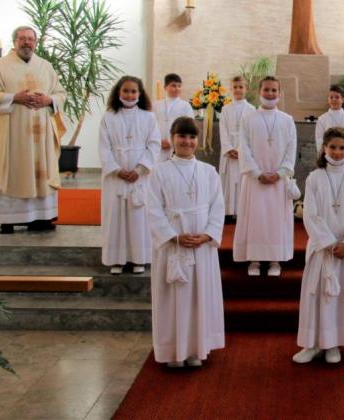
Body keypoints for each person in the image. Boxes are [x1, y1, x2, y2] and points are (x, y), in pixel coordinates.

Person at [147, 116, 225, 368]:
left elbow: (217, 207)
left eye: (192, 137)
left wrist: (209, 234)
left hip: (200, 243)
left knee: (199, 297)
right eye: (182, 136)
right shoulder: (159, 172)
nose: (187, 141)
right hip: (174, 243)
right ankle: (173, 352)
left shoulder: (208, 171)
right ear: (172, 138)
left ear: (198, 141)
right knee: (174, 297)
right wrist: (173, 236)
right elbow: (153, 209)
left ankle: (195, 349)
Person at [0, 26, 66, 234]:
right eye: (22, 39)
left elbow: (61, 93)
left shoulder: (45, 66)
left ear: (36, 42)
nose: (27, 43)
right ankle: (8, 218)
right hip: (11, 134)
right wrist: (14, 97)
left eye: (31, 39)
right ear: (14, 42)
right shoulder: (0, 66)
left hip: (41, 134)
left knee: (41, 173)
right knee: (12, 169)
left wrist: (49, 100)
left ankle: (41, 218)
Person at [293, 127, 344, 364]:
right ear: (324, 148)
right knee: (318, 295)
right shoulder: (315, 177)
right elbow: (311, 214)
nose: (337, 152)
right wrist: (327, 242)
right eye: (333, 147)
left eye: (342, 148)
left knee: (341, 296)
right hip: (322, 248)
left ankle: (334, 343)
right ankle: (313, 343)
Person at [233, 76, 296, 276]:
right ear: (259, 92)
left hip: (278, 180)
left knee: (276, 220)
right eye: (266, 90)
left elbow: (290, 150)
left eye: (274, 90)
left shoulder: (287, 120)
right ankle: (255, 260)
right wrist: (257, 173)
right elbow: (244, 148)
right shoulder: (248, 118)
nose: (270, 94)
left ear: (279, 93)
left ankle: (275, 260)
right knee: (256, 219)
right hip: (255, 180)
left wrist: (280, 173)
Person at [99, 76, 161, 274]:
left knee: (138, 216)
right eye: (126, 90)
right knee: (115, 216)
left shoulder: (148, 117)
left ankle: (138, 259)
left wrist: (140, 169)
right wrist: (117, 169)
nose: (129, 94)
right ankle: (116, 259)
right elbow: (103, 147)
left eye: (133, 91)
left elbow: (154, 144)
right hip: (115, 175)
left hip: (139, 175)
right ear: (118, 92)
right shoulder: (108, 117)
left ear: (140, 94)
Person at [219, 76, 255, 222]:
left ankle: (242, 212)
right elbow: (223, 130)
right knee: (228, 180)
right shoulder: (225, 109)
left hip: (243, 151)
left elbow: (251, 132)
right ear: (230, 89)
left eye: (241, 87)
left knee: (242, 181)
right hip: (228, 153)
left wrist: (240, 150)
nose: (238, 90)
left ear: (246, 89)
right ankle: (228, 212)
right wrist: (228, 149)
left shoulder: (251, 109)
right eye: (235, 87)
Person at [154, 73, 194, 163]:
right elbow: (151, 125)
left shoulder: (185, 105)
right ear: (165, 87)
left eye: (179, 86)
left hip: (177, 146)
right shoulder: (156, 104)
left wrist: (170, 142)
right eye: (173, 85)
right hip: (158, 146)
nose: (177, 88)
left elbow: (188, 127)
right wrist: (159, 141)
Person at [314, 84, 344, 150]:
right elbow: (319, 140)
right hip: (327, 156)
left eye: (337, 97)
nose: (334, 99)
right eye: (331, 97)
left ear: (343, 99)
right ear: (328, 100)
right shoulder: (322, 119)